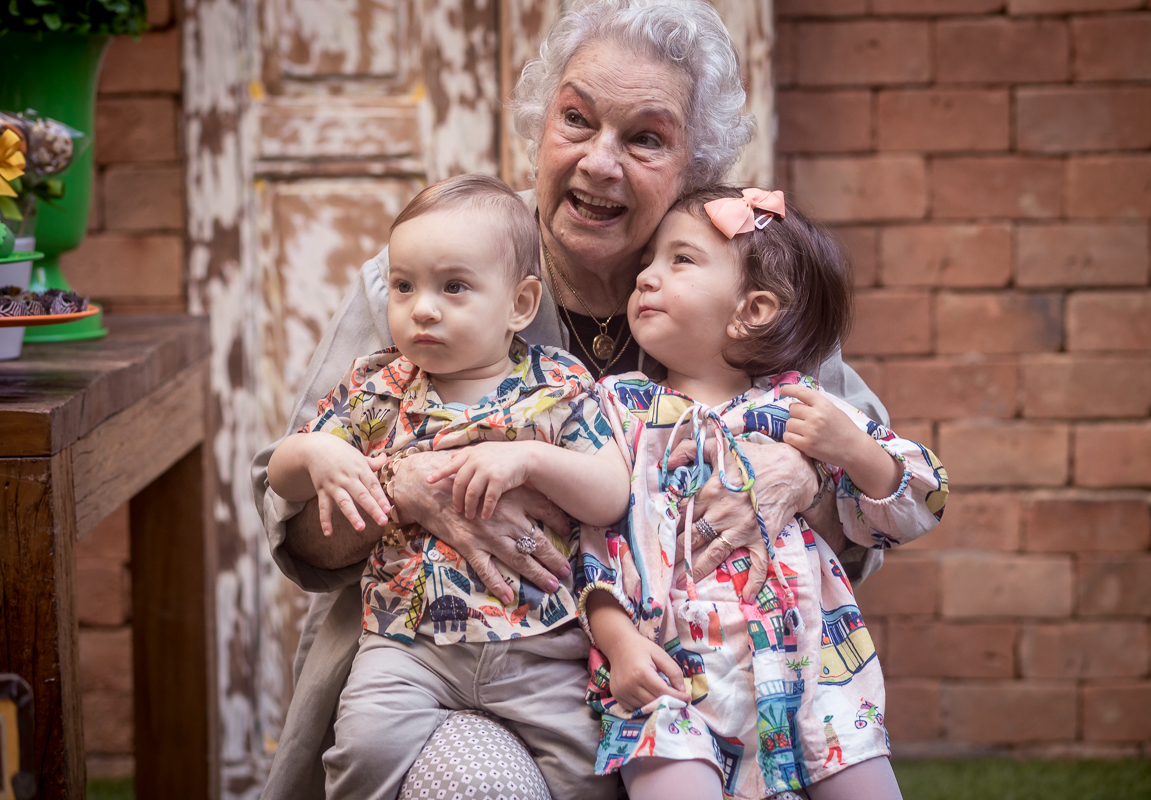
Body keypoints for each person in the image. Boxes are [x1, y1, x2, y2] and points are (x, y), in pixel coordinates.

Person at [251, 2, 889, 797]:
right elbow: (289, 512)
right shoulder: (429, 281)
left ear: (698, 164)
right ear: (540, 124)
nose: (599, 162)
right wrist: (402, 488)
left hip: (703, 686)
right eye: (577, 120)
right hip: (451, 672)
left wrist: (800, 476)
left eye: (646, 138)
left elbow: (875, 479)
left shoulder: (753, 282)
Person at [266, 173, 633, 800]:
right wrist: (317, 454)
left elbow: (611, 493)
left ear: (520, 305)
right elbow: (280, 472)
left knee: (592, 777)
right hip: (407, 646)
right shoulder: (379, 388)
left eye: (453, 287)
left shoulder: (558, 387)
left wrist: (531, 461)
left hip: (541, 648)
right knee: (361, 748)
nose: (423, 308)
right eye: (404, 287)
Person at [578, 186, 949, 799]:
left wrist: (850, 450)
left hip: (814, 672)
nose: (645, 276)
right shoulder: (619, 412)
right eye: (648, 261)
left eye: (680, 260)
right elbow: (591, 542)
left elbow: (922, 502)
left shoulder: (804, 407)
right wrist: (618, 645)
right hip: (671, 677)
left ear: (751, 310)